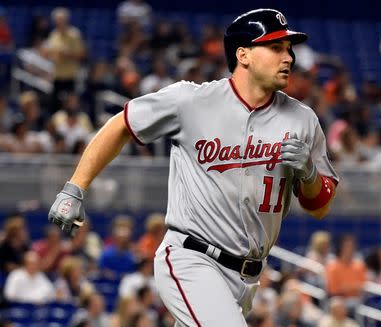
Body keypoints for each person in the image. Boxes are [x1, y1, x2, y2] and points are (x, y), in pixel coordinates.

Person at [47, 8, 339, 326]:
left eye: (288, 48)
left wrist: (309, 174)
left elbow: (320, 207)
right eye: (275, 47)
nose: (288, 57)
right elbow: (122, 124)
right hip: (192, 258)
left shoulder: (302, 120)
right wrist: (75, 186)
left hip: (247, 278)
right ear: (243, 54)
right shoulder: (192, 101)